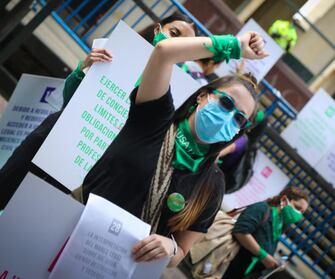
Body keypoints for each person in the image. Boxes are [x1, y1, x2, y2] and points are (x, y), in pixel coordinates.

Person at [74, 30, 267, 267]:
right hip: (71, 228)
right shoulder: (154, 118)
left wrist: (170, 247)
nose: (228, 118)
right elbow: (164, 52)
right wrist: (234, 45)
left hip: (117, 266)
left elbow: (180, 252)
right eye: (226, 103)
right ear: (203, 96)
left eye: (239, 119)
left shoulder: (213, 184)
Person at [0, 12, 198, 209]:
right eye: (174, 33)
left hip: (89, 166)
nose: (177, 43)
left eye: (186, 44)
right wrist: (83, 68)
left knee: (33, 215)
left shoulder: (176, 96)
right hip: (53, 139)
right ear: (158, 30)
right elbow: (70, 100)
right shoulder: (117, 51)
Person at [222, 187, 309, 278]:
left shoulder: (282, 224)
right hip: (227, 266)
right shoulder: (262, 209)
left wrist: (275, 263)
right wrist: (264, 256)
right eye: (297, 207)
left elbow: (265, 247)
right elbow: (241, 231)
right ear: (283, 200)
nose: (298, 214)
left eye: (302, 212)